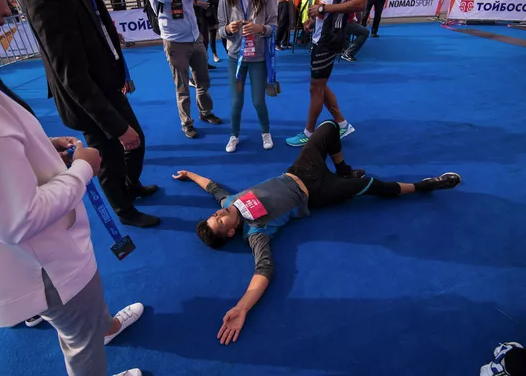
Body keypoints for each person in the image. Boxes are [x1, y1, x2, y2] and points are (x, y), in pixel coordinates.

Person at [0, 0, 144, 374]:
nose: (9, 6)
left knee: (80, 324)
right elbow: (18, 218)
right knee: (82, 344)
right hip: (45, 263)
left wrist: (35, 149)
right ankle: (99, 334)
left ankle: (105, 326)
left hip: (20, 263)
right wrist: (82, 168)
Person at [172, 120, 462, 344]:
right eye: (220, 222)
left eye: (215, 216)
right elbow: (264, 269)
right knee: (373, 185)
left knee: (328, 128)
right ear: (231, 232)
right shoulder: (256, 231)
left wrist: (189, 174)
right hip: (317, 192)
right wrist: (242, 307)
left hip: (298, 170)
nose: (219, 214)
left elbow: (212, 187)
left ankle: (343, 168)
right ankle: (425, 185)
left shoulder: (228, 202)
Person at [21, 0, 160, 228]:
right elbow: (69, 71)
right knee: (109, 156)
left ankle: (131, 186)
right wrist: (116, 127)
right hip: (88, 95)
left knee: (135, 141)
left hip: (106, 83)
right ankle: (124, 210)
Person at [285, 0, 366, 147]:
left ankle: (309, 133)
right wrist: (314, 18)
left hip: (330, 37)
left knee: (316, 87)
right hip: (320, 35)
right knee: (320, 85)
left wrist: (323, 8)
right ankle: (342, 124)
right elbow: (327, 0)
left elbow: (360, 3)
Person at [140, 0, 222, 138]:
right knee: (182, 86)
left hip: (195, 35)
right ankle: (187, 123)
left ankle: (205, 112)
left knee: (203, 80)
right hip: (174, 39)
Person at [218, 0, 277, 153]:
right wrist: (228, 29)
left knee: (258, 101)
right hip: (236, 59)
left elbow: (274, 26)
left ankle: (265, 132)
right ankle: (234, 135)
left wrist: (260, 28)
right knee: (236, 101)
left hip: (258, 58)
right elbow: (221, 28)